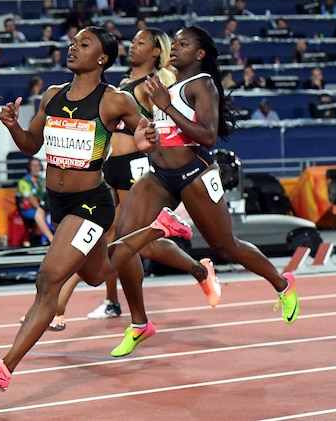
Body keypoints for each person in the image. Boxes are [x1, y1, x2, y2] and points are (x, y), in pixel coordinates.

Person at [0, 26, 195, 391]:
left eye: (83, 44)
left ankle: (4, 367)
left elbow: (148, 135)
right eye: (72, 43)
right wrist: (12, 127)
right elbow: (30, 145)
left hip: (90, 204)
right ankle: (159, 228)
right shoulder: (52, 97)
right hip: (59, 204)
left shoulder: (114, 100)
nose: (73, 48)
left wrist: (143, 140)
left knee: (48, 280)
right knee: (97, 272)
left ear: (102, 58)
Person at [115, 27, 300, 350]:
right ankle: (140, 322)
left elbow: (208, 136)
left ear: (199, 54)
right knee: (125, 242)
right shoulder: (166, 85)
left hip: (194, 174)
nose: (176, 48)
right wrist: (148, 135)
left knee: (226, 247)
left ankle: (283, 284)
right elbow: (165, 130)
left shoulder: (203, 85)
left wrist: (166, 106)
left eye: (184, 45)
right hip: (159, 175)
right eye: (175, 43)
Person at [57, 28, 220, 329]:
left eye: (140, 43)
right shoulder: (122, 83)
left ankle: (75, 303)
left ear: (157, 51)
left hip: (137, 165)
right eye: (131, 42)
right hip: (112, 165)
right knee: (128, 241)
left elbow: (170, 119)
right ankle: (195, 272)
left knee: (115, 236)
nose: (132, 47)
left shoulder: (158, 83)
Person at [15, 157, 53, 246]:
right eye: (33, 166)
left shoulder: (42, 180)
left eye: (38, 166)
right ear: (29, 167)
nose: (36, 168)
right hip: (28, 209)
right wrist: (43, 209)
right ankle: (43, 240)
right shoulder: (23, 181)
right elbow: (30, 198)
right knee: (41, 215)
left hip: (42, 206)